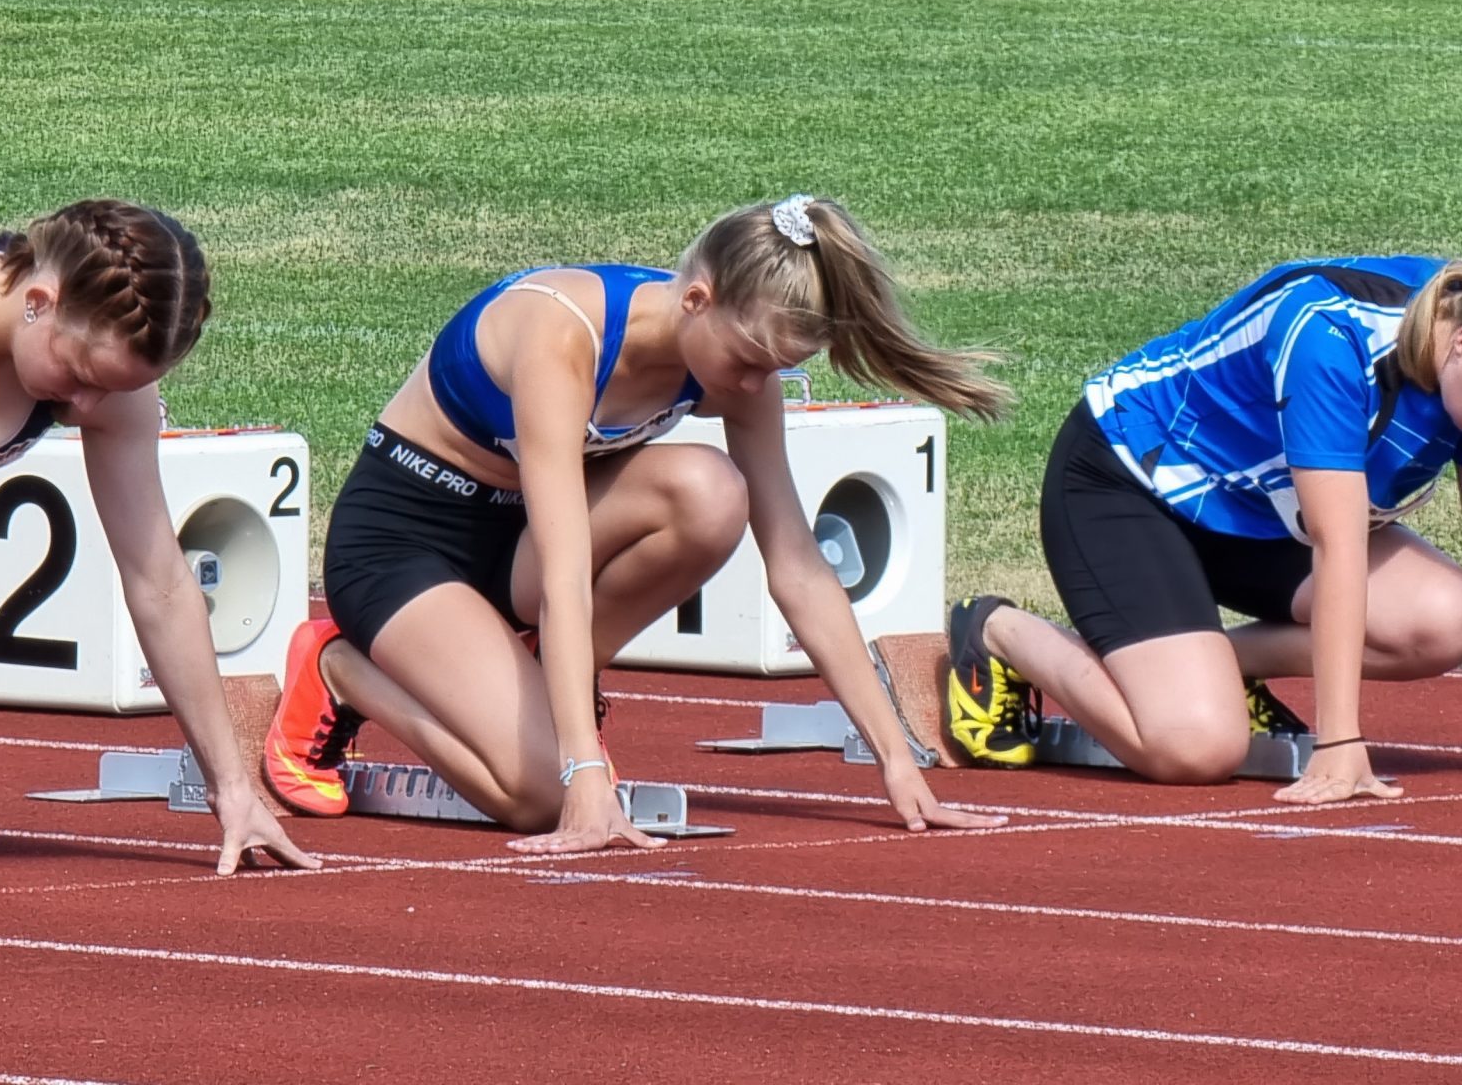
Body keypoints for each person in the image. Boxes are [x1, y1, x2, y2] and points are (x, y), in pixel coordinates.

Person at [264, 196, 1008, 852]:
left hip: (517, 549)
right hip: (404, 547)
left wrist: (896, 758)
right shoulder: (562, 334)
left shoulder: (736, 360)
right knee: (543, 797)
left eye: (777, 368)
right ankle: (342, 671)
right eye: (750, 360)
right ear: (696, 300)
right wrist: (582, 768)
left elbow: (797, 564)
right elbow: (565, 573)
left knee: (711, 493)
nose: (755, 385)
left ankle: (536, 677)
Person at [944, 256, 1462, 803]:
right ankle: (1001, 633)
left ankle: (1209, 667)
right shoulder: (1330, 337)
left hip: (1259, 514)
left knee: (1442, 621)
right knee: (1195, 749)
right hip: (1128, 483)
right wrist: (1340, 743)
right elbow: (1337, 545)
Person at [0, 200, 315, 872]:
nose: (86, 407)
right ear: (39, 302)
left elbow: (160, 582)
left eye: (113, 388)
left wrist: (231, 786)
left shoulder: (107, 383)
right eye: (80, 376)